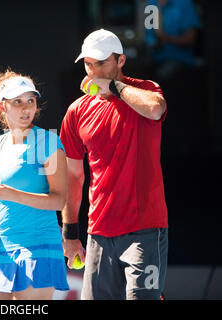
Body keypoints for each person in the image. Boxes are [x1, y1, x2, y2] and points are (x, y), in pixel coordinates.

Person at [59, 29, 168, 300]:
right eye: (88, 64)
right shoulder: (76, 111)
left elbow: (155, 109)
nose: (94, 70)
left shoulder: (147, 90)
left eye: (102, 62)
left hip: (145, 229)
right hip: (98, 232)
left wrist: (115, 87)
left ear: (120, 61)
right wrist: (70, 232)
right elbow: (73, 176)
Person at [0, 69, 69, 300]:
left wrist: (13, 194)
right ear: (2, 107)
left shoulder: (49, 142)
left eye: (30, 101)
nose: (26, 108)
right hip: (4, 250)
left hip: (39, 248)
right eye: (17, 102)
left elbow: (58, 199)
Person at [145, 0, 201, 80]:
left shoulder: (183, 3)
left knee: (162, 76)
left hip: (179, 59)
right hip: (154, 57)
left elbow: (191, 39)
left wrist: (167, 38)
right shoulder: (151, 3)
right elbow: (148, 37)